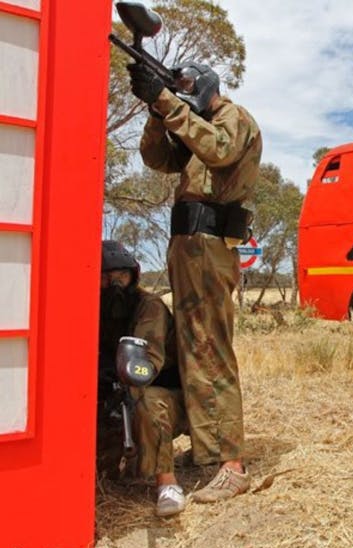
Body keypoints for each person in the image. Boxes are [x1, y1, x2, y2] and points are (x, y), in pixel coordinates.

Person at [127, 59, 262, 502]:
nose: (180, 93)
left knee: (210, 349)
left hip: (208, 245)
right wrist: (153, 110)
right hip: (186, 246)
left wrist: (166, 100)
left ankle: (231, 464)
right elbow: (157, 158)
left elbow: (219, 149)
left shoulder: (233, 118)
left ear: (205, 85)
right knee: (191, 348)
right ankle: (208, 450)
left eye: (184, 85)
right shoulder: (191, 124)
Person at [98, 240, 188, 517]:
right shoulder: (89, 308)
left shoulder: (149, 306)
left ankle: (167, 483)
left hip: (164, 396)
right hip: (113, 393)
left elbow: (145, 365)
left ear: (133, 276)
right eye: (106, 278)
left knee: (143, 399)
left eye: (121, 277)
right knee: (105, 476)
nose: (115, 285)